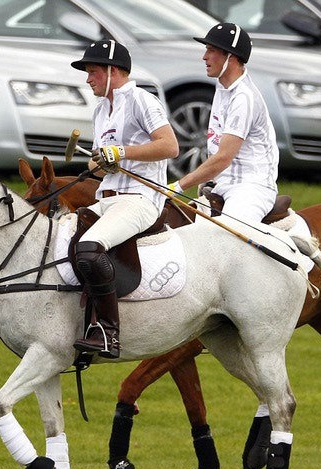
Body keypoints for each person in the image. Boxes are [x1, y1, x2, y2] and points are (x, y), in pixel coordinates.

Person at [69, 39, 179, 359]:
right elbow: (101, 166)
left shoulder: (142, 100)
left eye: (92, 72)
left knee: (89, 250)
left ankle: (107, 332)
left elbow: (169, 146)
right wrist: (101, 162)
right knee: (58, 236)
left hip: (141, 199)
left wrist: (122, 153)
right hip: (107, 197)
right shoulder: (101, 109)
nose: (88, 79)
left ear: (112, 71)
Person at [168, 23, 278, 223]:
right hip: (223, 184)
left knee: (228, 240)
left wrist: (177, 187)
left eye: (211, 50)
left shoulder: (244, 97)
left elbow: (223, 158)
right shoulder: (222, 86)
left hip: (251, 187)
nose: (204, 57)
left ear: (231, 56)